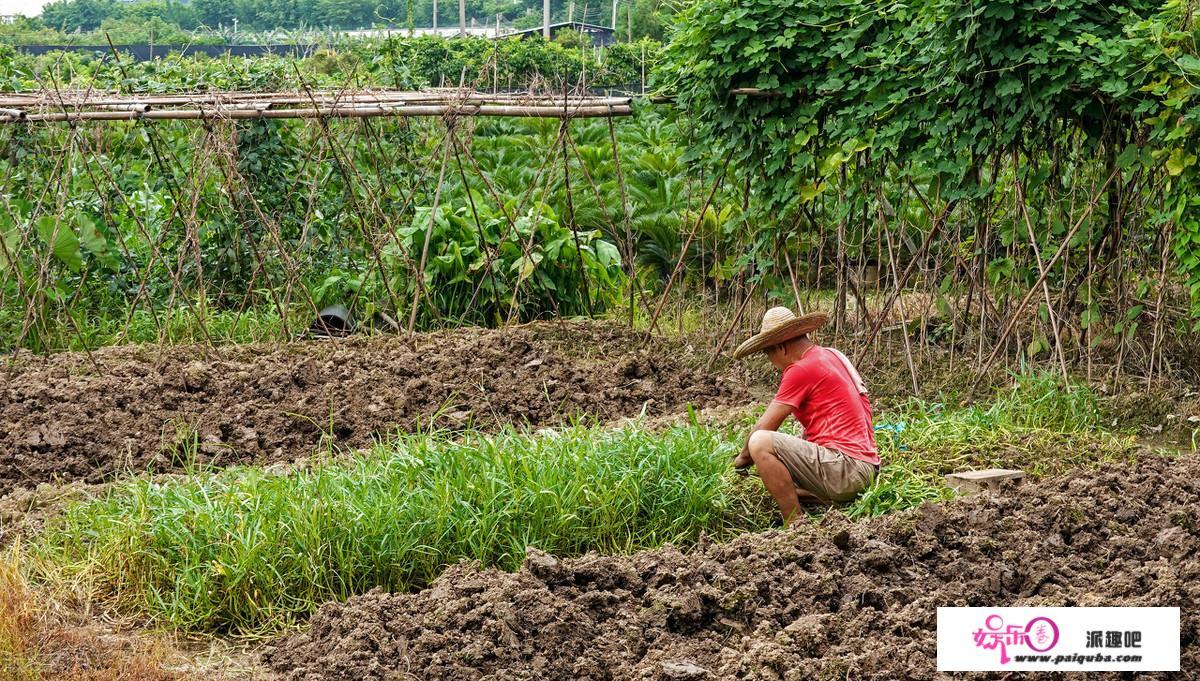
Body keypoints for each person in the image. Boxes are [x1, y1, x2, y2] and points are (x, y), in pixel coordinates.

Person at [730, 306, 881, 526]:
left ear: (780, 347)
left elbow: (765, 426)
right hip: (867, 467)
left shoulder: (801, 369)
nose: (772, 363)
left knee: (760, 442)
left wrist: (741, 461)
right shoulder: (832, 355)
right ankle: (826, 499)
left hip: (846, 470)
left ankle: (794, 523)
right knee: (791, 448)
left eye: (768, 354)